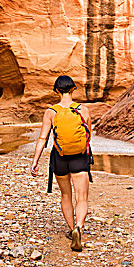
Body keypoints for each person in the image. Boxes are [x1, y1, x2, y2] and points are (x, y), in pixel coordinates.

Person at [30, 75, 92, 252]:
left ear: (57, 91)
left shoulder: (51, 112)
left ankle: (72, 229)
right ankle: (79, 227)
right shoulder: (83, 110)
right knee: (82, 197)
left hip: (60, 158)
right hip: (80, 157)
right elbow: (88, 137)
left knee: (66, 195)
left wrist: (35, 161)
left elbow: (43, 138)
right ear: (73, 89)